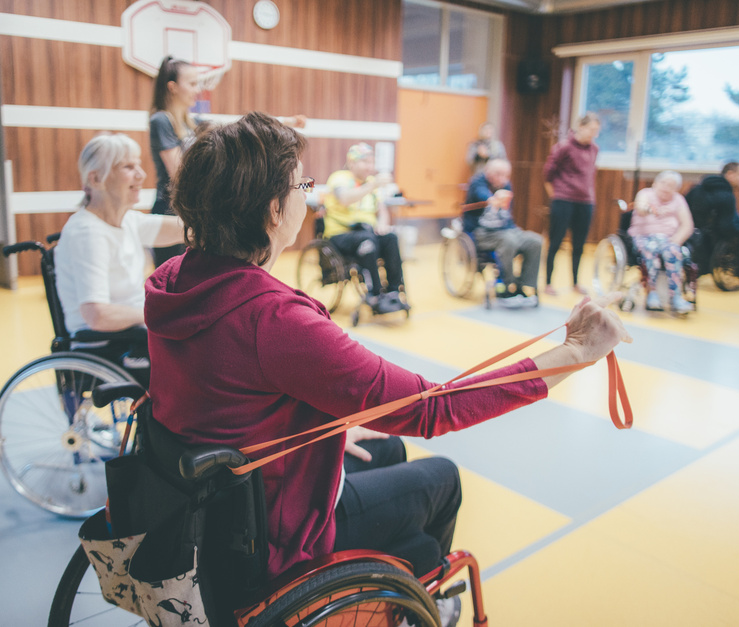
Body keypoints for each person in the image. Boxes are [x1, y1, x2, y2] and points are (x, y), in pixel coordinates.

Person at [144, 113, 630, 602]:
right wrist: (574, 353)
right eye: (301, 184)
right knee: (441, 478)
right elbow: (433, 409)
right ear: (273, 209)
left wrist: (323, 424)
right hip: (269, 537)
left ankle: (407, 573)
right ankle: (415, 604)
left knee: (388, 451)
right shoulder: (272, 320)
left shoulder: (174, 280)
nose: (307, 195)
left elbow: (224, 394)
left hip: (208, 509)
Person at [148, 56, 306, 267]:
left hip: (190, 212)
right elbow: (179, 173)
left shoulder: (191, 122)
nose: (198, 89)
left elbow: (237, 129)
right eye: (192, 83)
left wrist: (285, 122)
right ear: (173, 87)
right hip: (171, 210)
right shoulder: (161, 121)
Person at [54, 134, 183, 382]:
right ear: (95, 178)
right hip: (107, 343)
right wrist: (157, 314)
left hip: (132, 332)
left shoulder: (126, 220)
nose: (141, 175)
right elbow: (97, 315)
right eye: (128, 167)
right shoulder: (88, 232)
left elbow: (182, 229)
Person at [323, 142, 407, 314]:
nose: (370, 166)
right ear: (352, 163)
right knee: (366, 240)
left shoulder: (371, 184)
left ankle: (393, 290)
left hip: (367, 232)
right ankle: (375, 294)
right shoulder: (340, 178)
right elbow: (344, 199)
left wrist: (383, 224)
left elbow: (382, 211)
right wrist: (373, 185)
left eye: (372, 162)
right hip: (341, 234)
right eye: (365, 162)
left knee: (390, 238)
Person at [463, 158, 543, 307]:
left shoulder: (506, 185)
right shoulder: (477, 182)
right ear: (488, 172)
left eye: (506, 175)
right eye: (498, 174)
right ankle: (507, 287)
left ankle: (522, 286)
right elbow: (481, 194)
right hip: (482, 232)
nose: (503, 179)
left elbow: (507, 214)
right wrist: (492, 199)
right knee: (509, 241)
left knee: (535, 241)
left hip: (506, 229)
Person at [543, 112, 601, 296]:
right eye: (591, 129)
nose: (593, 134)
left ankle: (575, 282)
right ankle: (548, 283)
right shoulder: (563, 147)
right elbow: (548, 175)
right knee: (556, 242)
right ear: (581, 127)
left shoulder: (594, 149)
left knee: (579, 244)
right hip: (563, 199)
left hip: (585, 202)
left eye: (596, 131)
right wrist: (557, 197)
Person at [684, 160, 739, 286]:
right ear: (730, 174)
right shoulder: (726, 195)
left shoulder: (696, 189)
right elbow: (726, 226)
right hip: (716, 237)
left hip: (695, 235)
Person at [627, 170, 695, 314]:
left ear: (676, 189)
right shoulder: (645, 193)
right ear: (655, 183)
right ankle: (652, 293)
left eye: (671, 185)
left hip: (668, 239)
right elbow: (640, 208)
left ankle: (675, 296)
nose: (666, 187)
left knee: (673, 251)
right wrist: (653, 210)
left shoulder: (679, 200)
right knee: (651, 249)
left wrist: (675, 241)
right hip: (643, 236)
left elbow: (687, 225)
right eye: (663, 183)